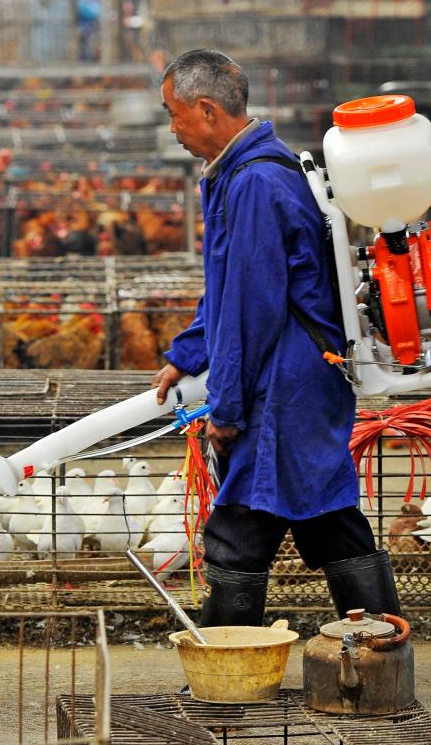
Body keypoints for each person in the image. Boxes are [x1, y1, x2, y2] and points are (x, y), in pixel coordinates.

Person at [151, 49, 402, 626]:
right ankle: (381, 648)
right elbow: (229, 283)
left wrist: (229, 409)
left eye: (174, 114)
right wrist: (187, 355)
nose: (172, 129)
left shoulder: (255, 183)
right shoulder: (248, 172)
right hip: (302, 375)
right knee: (326, 514)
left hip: (283, 383)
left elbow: (248, 308)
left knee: (241, 524)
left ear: (208, 110)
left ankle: (228, 672)